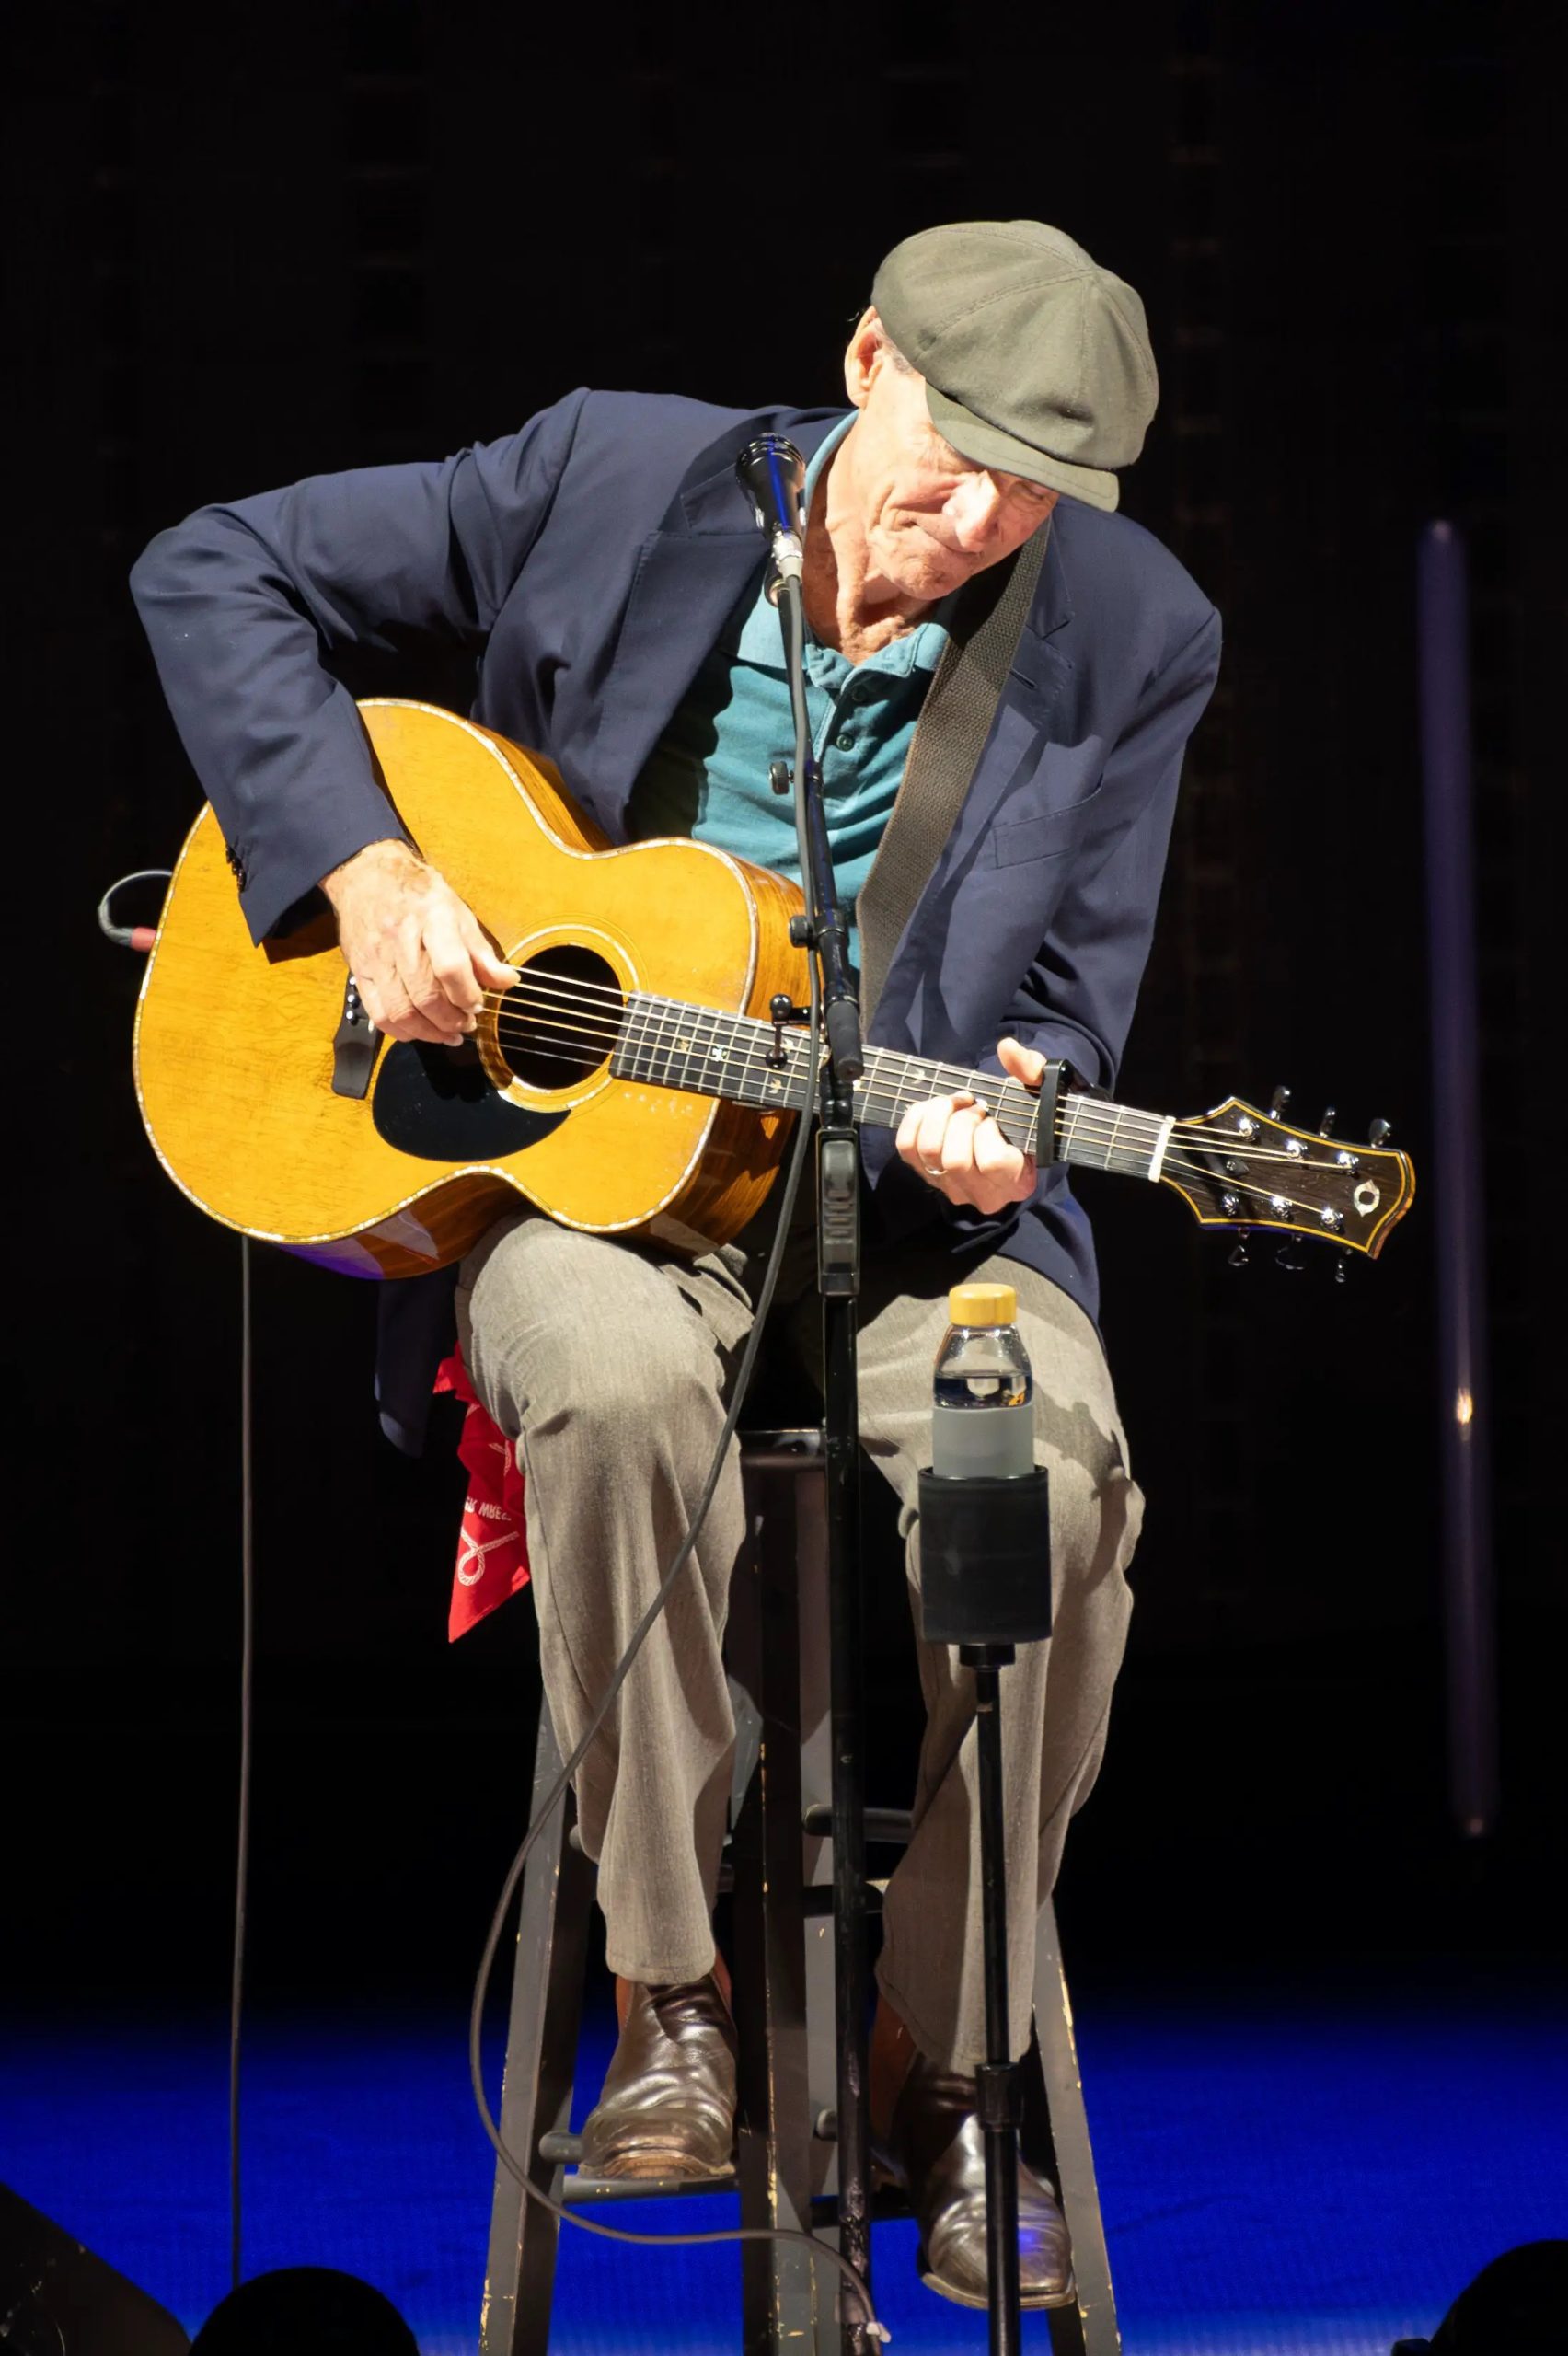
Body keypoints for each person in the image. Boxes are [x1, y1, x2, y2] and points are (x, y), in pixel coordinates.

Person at [131, 220, 1221, 2312]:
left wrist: (1026, 1106)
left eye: (1034, 497)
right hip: (589, 1204)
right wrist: (365, 864)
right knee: (615, 1385)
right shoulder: (613, 474)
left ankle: (942, 2054)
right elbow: (212, 564)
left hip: (912, 1233)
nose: (977, 526)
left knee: (1058, 1482)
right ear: (868, 361)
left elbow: (1070, 1008)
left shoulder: (1135, 627)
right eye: (958, 464)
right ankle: (672, 1998)